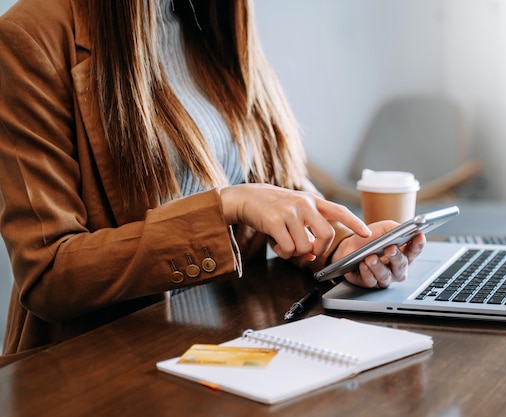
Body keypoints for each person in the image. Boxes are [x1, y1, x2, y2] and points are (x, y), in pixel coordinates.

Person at [0, 0, 425, 361]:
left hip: (224, 341)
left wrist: (341, 246)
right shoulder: (31, 34)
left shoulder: (211, 19)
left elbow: (272, 189)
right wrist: (223, 205)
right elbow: (49, 273)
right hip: (100, 363)